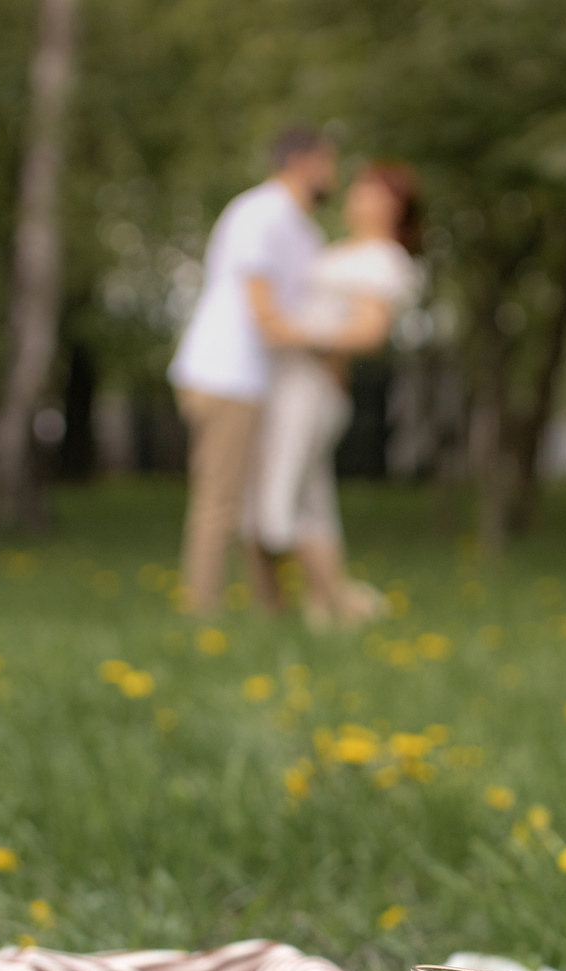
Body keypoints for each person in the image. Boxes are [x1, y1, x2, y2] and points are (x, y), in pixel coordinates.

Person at [167, 126, 338, 616]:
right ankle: (202, 614)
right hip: (226, 374)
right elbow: (265, 316)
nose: (333, 174)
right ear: (303, 162)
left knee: (262, 502)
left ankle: (274, 609)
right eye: (328, 162)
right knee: (221, 501)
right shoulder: (260, 213)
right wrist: (345, 337)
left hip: (263, 381)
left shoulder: (304, 230)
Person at [246, 163, 424, 630]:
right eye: (361, 188)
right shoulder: (340, 249)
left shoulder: (383, 258)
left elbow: (369, 332)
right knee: (314, 506)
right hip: (292, 386)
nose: (360, 197)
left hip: (312, 391)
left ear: (396, 208)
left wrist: (292, 333)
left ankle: (344, 600)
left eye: (375, 192)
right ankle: (324, 611)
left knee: (277, 507)